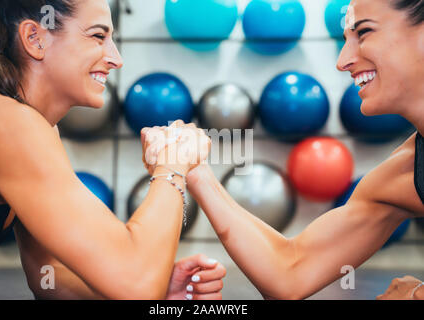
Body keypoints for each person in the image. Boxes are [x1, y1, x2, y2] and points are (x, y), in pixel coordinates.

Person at [142, 0, 424, 300]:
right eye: (345, 41)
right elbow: (291, 272)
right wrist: (196, 170)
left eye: (364, 32)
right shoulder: (407, 172)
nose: (343, 61)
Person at [0, 0, 226, 300]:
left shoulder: (35, 127)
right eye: (97, 36)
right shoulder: (6, 123)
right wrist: (172, 166)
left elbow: (49, 277)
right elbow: (137, 286)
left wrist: (161, 286)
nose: (116, 59)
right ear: (35, 39)